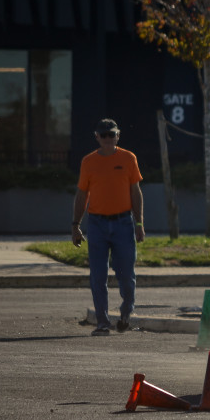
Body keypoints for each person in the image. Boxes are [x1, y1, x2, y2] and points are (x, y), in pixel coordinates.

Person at [72, 118, 145, 335]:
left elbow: (135, 192)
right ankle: (102, 322)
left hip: (123, 223)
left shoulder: (128, 158)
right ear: (96, 137)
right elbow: (82, 194)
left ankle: (125, 313)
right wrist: (76, 225)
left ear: (117, 136)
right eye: (103, 135)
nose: (107, 139)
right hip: (97, 224)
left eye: (111, 135)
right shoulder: (88, 162)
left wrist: (139, 222)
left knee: (126, 275)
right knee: (98, 275)